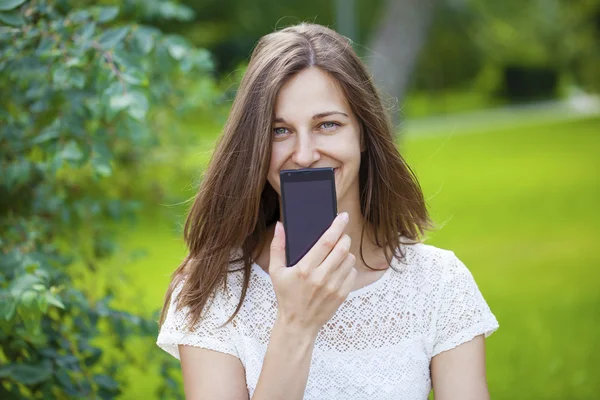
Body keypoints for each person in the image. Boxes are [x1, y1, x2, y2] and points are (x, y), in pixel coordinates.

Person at [156, 22, 499, 400]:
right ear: (254, 144)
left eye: (327, 125)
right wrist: (296, 324)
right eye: (279, 131)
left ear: (364, 135)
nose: (304, 155)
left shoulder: (438, 283)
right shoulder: (214, 287)